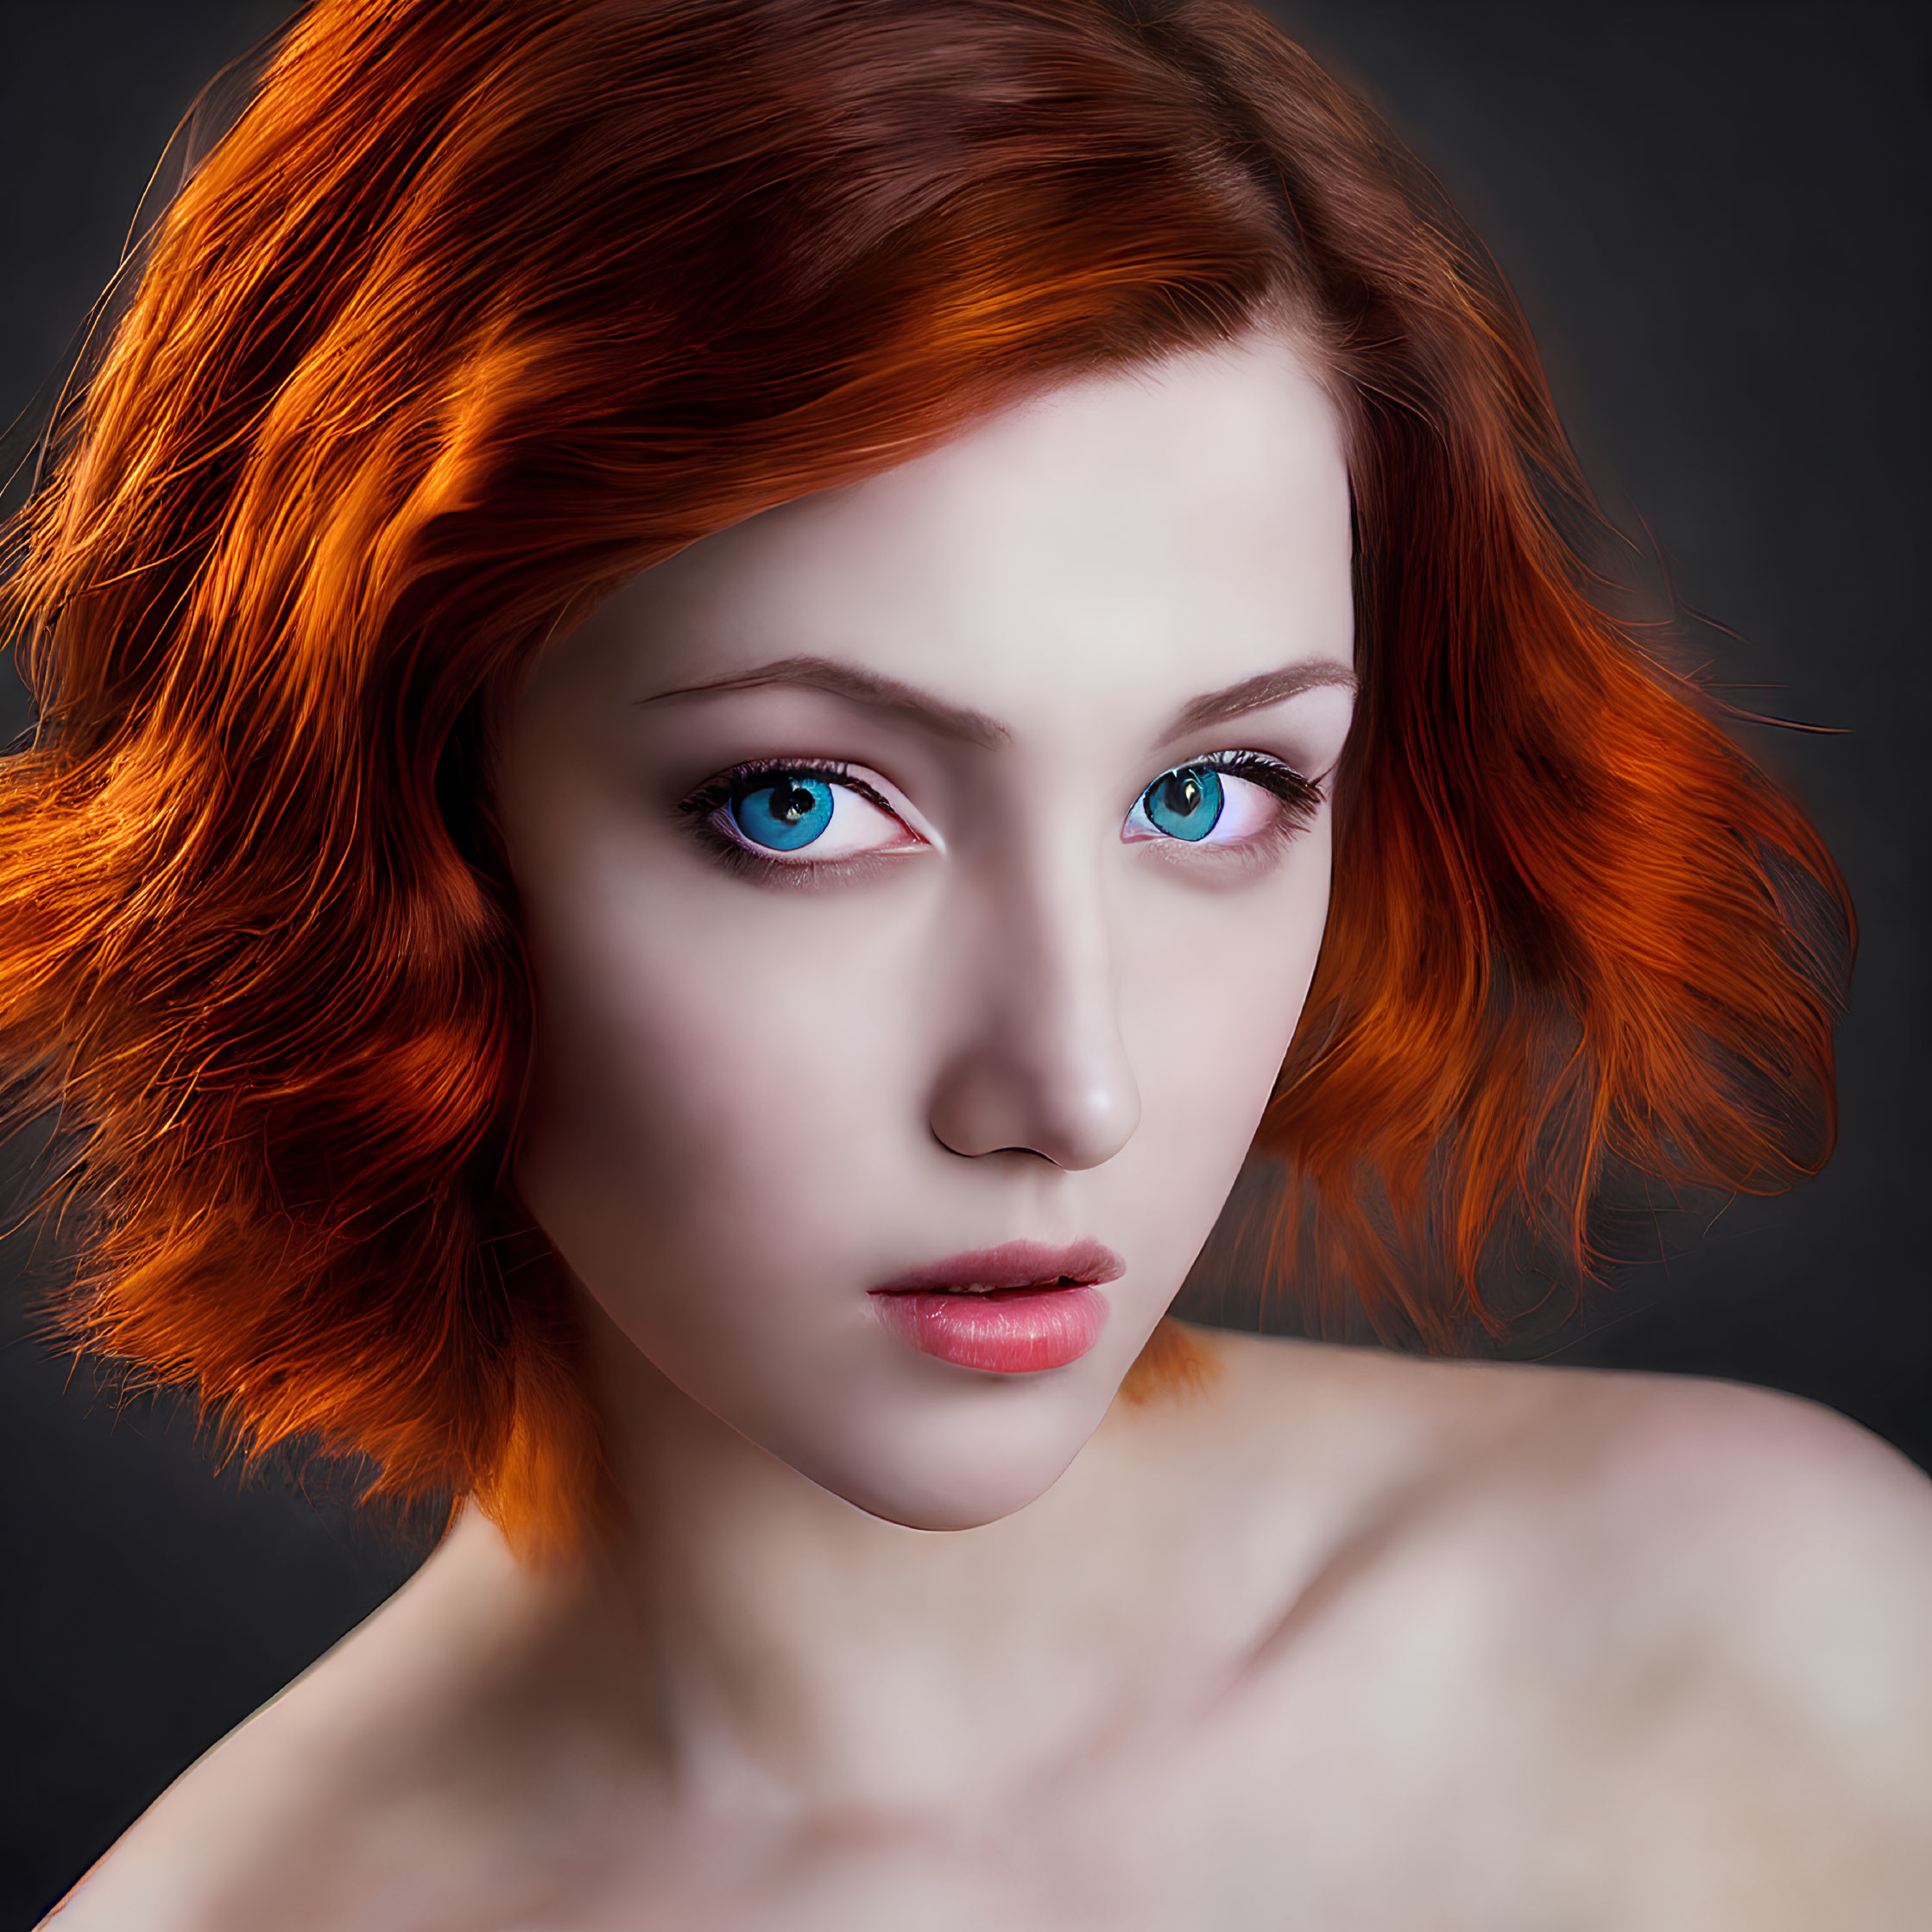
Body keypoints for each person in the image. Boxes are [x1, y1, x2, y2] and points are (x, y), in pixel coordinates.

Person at [6, 1, 1927, 1924]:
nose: (1071, 1086)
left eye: (1211, 795)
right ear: (393, 814)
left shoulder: (1789, 1648)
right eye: (800, 805)